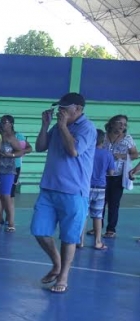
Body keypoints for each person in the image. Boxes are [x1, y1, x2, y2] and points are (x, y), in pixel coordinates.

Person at [30, 92, 97, 294]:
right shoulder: (57, 127)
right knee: (39, 230)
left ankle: (64, 275)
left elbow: (74, 150)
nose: (60, 111)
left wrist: (62, 126)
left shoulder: (87, 128)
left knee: (69, 236)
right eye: (59, 107)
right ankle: (57, 264)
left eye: (64, 108)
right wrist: (45, 125)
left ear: (77, 109)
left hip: (74, 191)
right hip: (49, 187)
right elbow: (40, 147)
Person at [100, 115, 137, 239]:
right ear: (111, 124)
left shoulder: (127, 139)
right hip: (101, 174)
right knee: (100, 202)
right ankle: (97, 227)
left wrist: (122, 156)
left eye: (125, 124)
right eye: (119, 123)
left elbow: (135, 154)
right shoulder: (103, 137)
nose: (122, 126)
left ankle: (111, 229)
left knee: (114, 203)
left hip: (118, 175)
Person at [0, 115, 32, 233]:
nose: (2, 124)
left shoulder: (17, 136)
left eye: (5, 122)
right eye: (1, 122)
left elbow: (28, 148)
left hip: (13, 166)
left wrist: (12, 155)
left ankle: (10, 220)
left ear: (11, 123)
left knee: (8, 195)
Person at [81, 131, 117, 250]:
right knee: (98, 216)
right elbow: (111, 172)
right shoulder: (107, 154)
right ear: (103, 140)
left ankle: (80, 241)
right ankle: (97, 242)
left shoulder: (87, 152)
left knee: (83, 215)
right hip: (100, 188)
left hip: (86, 187)